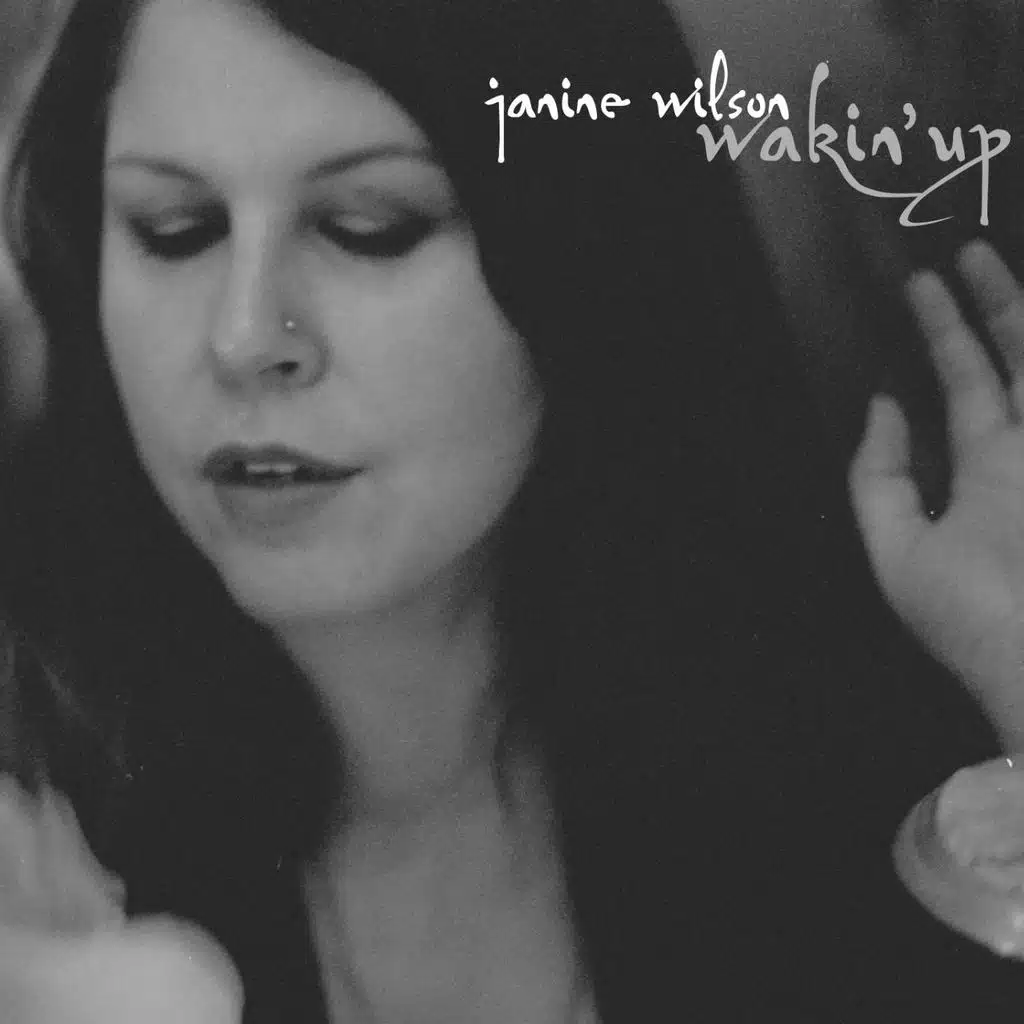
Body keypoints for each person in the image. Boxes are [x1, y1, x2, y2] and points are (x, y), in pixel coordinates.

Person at [2, 0, 1024, 1020]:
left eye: (370, 226)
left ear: (582, 254)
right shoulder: (41, 855)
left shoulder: (859, 791)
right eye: (174, 231)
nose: (244, 337)